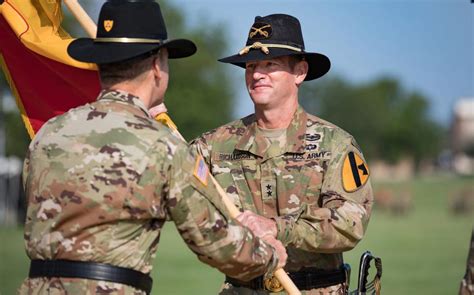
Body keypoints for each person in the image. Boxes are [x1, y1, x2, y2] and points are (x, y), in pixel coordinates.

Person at [18, 1, 286, 294]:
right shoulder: (163, 145)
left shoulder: (50, 133)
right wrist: (268, 254)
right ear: (157, 66)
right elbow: (213, 241)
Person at [192, 14, 373, 294]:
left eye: (270, 64)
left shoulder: (334, 144)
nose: (257, 74)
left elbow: (350, 224)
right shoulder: (214, 145)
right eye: (251, 65)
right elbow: (167, 180)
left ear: (300, 72)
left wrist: (278, 228)